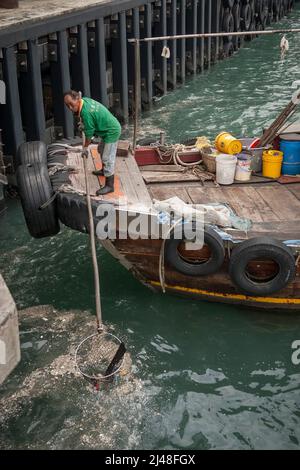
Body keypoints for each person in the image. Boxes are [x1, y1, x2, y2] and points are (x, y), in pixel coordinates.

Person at [64, 91, 121, 195]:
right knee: (101, 150)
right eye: (67, 106)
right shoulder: (84, 100)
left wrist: (85, 149)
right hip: (106, 129)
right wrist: (83, 123)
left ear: (77, 99)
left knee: (107, 158)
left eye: (71, 104)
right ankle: (104, 171)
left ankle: (109, 185)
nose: (70, 108)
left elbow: (89, 136)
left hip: (112, 131)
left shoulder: (86, 113)